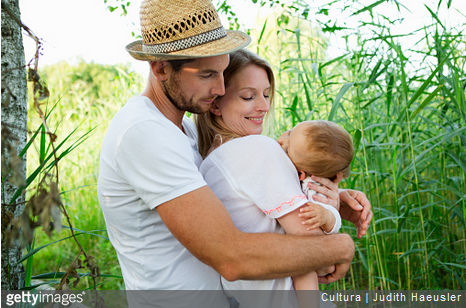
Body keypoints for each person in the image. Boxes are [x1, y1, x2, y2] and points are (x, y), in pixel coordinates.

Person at [97, 0, 372, 305]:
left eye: (223, 72)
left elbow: (235, 202)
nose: (219, 88)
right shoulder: (144, 133)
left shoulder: (184, 132)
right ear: (161, 68)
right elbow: (232, 257)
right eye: (206, 75)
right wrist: (340, 245)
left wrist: (323, 199)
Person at [195, 50, 363, 304]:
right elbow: (320, 257)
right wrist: (332, 214)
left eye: (265, 94)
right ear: (215, 103)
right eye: (248, 96)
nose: (263, 106)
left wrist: (336, 197)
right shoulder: (257, 148)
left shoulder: (209, 162)